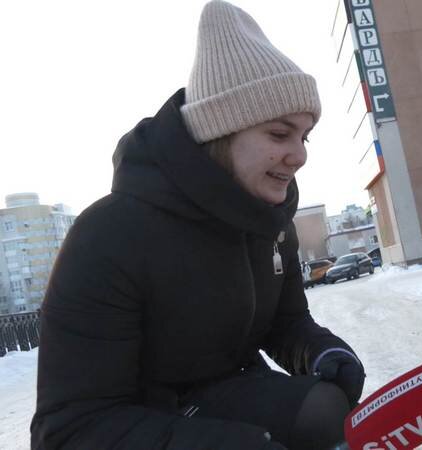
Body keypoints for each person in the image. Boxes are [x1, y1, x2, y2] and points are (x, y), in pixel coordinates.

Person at [30, 2, 364, 449]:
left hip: (225, 393)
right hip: (136, 419)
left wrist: (319, 349)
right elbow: (68, 430)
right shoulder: (109, 236)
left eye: (305, 136)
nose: (300, 155)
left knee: (325, 411)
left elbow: (283, 322)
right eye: (279, 134)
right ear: (220, 131)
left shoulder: (270, 223)